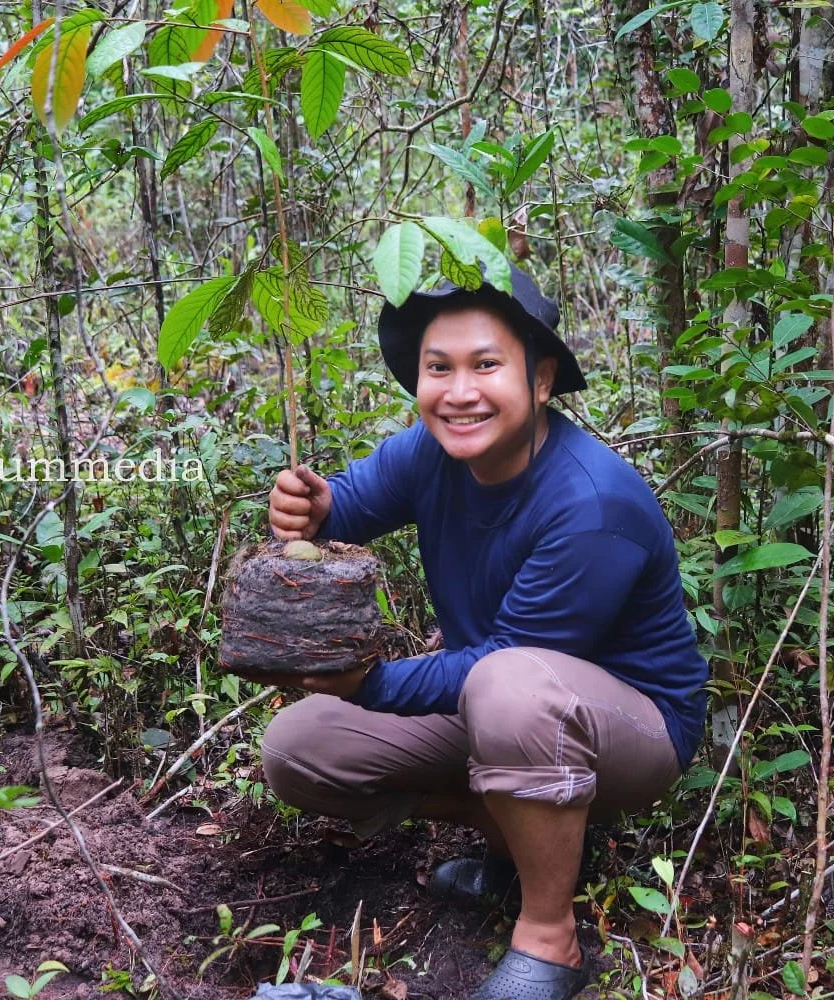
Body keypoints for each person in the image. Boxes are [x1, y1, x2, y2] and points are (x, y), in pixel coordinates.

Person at [258, 263, 710, 1000]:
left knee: (508, 683)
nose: (459, 391)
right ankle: (523, 835)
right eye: (439, 367)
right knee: (300, 747)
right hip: (505, 707)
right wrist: (305, 507)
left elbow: (505, 662)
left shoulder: (591, 503)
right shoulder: (430, 454)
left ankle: (549, 937)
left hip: (635, 725)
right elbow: (343, 507)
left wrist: (368, 681)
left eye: (487, 364)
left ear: (540, 380)